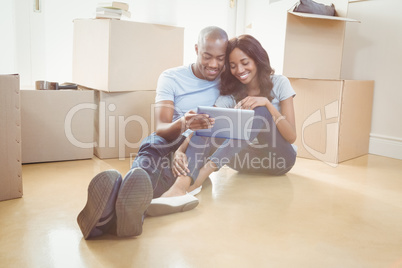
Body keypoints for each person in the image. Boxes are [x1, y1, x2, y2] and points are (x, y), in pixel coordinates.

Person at [77, 26, 228, 239]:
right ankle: (122, 216)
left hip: (198, 148)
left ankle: (106, 217)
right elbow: (162, 127)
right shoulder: (171, 77)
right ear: (196, 49)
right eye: (207, 56)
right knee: (153, 145)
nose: (214, 64)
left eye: (220, 58)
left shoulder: (228, 83)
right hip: (172, 137)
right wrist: (184, 122)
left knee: (167, 170)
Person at [159, 34, 297, 198]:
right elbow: (206, 124)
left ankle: (201, 176)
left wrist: (267, 104)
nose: (239, 70)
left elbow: (291, 136)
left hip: (279, 160)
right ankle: (181, 185)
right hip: (244, 161)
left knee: (260, 111)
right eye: (232, 65)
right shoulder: (230, 95)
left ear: (257, 60)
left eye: (245, 63)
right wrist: (180, 150)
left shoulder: (280, 83)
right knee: (211, 120)